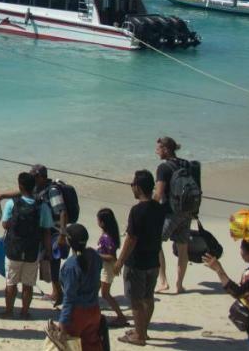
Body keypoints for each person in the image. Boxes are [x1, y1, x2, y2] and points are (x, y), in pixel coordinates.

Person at [113, 170, 166, 346]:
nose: (131, 188)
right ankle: (142, 330)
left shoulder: (137, 210)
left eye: (132, 185)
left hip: (137, 262)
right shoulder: (159, 208)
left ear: (138, 187)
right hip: (153, 260)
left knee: (135, 300)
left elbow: (131, 238)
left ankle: (139, 335)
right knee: (148, 297)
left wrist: (120, 261)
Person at [0, 170, 53, 320]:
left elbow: (4, 224)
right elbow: (47, 232)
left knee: (11, 283)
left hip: (13, 249)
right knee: (28, 284)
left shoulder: (12, 203)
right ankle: (24, 312)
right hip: (32, 250)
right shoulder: (42, 206)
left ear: (20, 186)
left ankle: (9, 311)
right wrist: (48, 252)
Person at [49, 223, 104, 351]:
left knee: (71, 346)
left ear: (68, 241)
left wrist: (63, 322)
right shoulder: (94, 256)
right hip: (94, 309)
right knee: (91, 345)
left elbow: (69, 297)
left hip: (76, 314)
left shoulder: (70, 266)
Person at [153, 136, 198, 293]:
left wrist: (148, 207)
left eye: (158, 148)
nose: (156, 151)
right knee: (183, 249)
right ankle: (179, 284)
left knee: (155, 242)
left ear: (166, 149)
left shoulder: (163, 168)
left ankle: (163, 281)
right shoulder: (187, 164)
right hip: (187, 211)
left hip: (170, 213)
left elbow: (158, 194)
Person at [32, 164, 69, 306]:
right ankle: (56, 292)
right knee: (50, 260)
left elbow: (62, 212)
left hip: (55, 232)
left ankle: (58, 294)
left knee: (54, 261)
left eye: (34, 176)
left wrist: (62, 235)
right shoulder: (39, 189)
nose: (33, 179)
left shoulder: (53, 190)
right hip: (47, 230)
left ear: (41, 176)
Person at [97, 208, 130, 326]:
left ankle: (121, 316)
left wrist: (96, 254)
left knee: (105, 294)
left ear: (102, 222)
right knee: (98, 290)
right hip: (105, 267)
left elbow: (111, 257)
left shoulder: (107, 237)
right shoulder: (110, 234)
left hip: (107, 268)